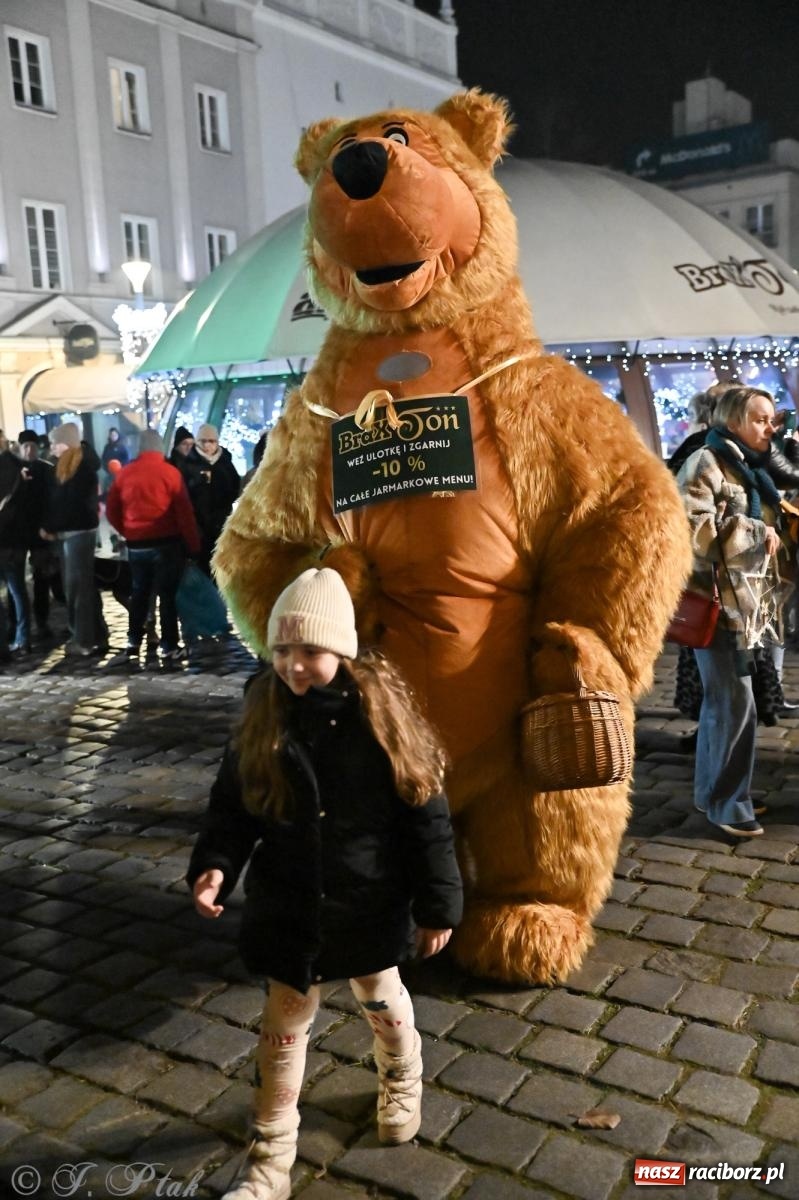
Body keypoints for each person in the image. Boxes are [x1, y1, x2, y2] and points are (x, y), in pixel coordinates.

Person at [186, 568, 463, 1200]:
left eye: (309, 651)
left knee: (383, 1002)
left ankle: (402, 1077)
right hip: (288, 905)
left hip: (365, 902)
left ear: (340, 650)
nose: (293, 666)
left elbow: (427, 820)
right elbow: (233, 805)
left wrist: (437, 903)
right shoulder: (264, 713)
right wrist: (216, 865)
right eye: (281, 650)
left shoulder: (380, 722)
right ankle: (270, 1157)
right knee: (282, 1031)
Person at [677, 385, 794, 838]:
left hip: (745, 604)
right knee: (734, 703)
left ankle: (715, 794)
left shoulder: (748, 465)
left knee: (724, 703)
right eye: (761, 420)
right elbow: (687, 526)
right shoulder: (706, 461)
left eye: (771, 419)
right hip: (717, 602)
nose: (770, 428)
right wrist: (751, 528)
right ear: (733, 422)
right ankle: (729, 803)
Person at [106, 430, 201, 662]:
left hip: (137, 545)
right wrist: (193, 546)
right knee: (167, 596)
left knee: (139, 593)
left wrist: (128, 530)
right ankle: (169, 646)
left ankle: (133, 641)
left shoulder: (125, 475)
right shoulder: (170, 473)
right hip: (167, 543)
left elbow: (112, 511)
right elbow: (184, 513)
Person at [40, 422, 107, 657]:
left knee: (78, 588)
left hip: (77, 534)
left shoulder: (79, 468)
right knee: (83, 587)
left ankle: (84, 640)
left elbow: (68, 505)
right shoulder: (73, 466)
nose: (52, 449)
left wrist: (50, 526)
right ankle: (95, 635)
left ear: (64, 444)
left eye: (54, 444)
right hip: (74, 533)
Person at [16, 430, 58, 640]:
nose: (30, 450)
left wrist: (48, 526)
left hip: (40, 533)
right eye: (26, 446)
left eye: (33, 446)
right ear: (20, 447)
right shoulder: (13, 470)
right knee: (16, 583)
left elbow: (52, 502)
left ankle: (41, 621)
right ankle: (17, 626)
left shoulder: (46, 470)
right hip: (18, 534)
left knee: (41, 579)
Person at [185, 423, 240, 575]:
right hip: (199, 530)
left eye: (212, 441)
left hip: (222, 528)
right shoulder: (189, 465)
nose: (208, 445)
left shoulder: (226, 464)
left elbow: (235, 493)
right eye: (203, 441)